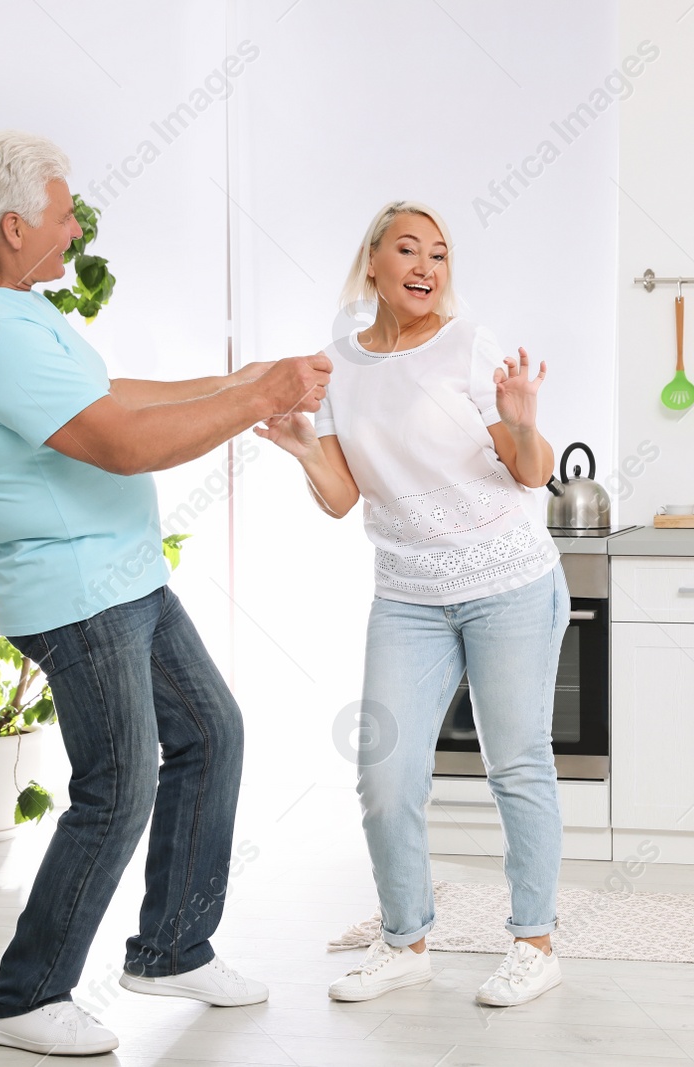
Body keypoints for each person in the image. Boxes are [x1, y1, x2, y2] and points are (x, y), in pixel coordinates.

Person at [0, 129, 331, 1057]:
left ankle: (172, 946)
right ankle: (25, 997)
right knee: (118, 786)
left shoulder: (11, 304)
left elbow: (111, 395)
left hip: (121, 573)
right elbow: (120, 443)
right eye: (63, 219)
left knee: (210, 732)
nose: (74, 232)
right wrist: (259, 396)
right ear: (14, 227)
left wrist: (242, 379)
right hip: (74, 589)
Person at [258, 200, 569, 1007]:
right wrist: (300, 447)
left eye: (439, 254)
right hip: (408, 595)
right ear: (373, 264)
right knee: (384, 776)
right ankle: (405, 940)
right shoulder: (336, 366)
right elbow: (338, 497)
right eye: (409, 249)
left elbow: (530, 472)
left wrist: (523, 421)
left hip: (507, 581)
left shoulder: (470, 344)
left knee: (517, 765)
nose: (427, 266)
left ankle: (534, 943)